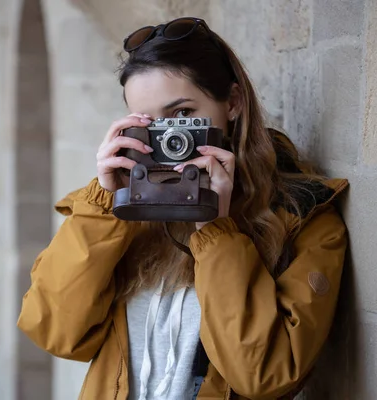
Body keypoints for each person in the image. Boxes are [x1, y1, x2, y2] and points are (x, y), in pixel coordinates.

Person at [17, 17, 348, 400]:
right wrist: (104, 207)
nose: (169, 138)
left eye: (182, 115)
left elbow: (262, 376)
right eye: (149, 123)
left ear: (234, 102)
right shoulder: (121, 215)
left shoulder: (303, 218)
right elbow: (55, 332)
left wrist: (216, 229)